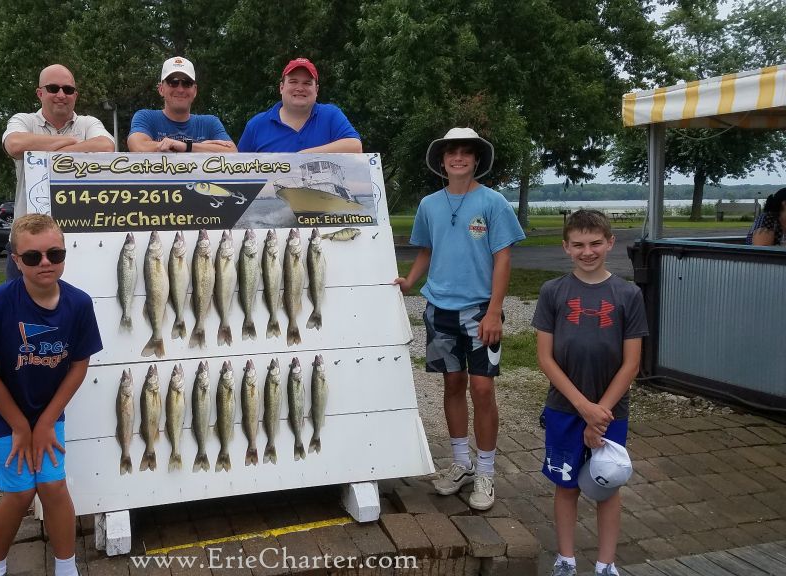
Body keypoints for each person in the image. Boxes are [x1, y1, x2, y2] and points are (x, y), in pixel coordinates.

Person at [394, 127, 525, 510]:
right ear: (442, 160)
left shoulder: (493, 202)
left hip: (481, 311)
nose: (459, 159)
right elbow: (426, 250)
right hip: (440, 310)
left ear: (476, 160)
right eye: (452, 153)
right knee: (453, 384)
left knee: (482, 389)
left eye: (467, 153)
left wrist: (496, 310)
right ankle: (461, 465)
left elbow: (503, 257)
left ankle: (486, 471)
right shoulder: (429, 204)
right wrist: (409, 281)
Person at [0, 214, 103, 576]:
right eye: (32, 257)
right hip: (1, 409)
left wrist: (43, 423)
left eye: (54, 254)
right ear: (16, 260)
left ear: (64, 254)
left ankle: (66, 567)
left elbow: (78, 365)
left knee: (53, 485)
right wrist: (20, 427)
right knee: (21, 492)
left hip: (45, 407)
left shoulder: (78, 303)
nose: (45, 263)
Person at [532, 210, 648, 576]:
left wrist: (600, 413)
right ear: (566, 247)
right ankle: (566, 559)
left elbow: (631, 364)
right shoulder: (553, 292)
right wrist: (584, 408)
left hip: (611, 410)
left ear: (610, 243)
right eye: (578, 244)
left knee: (606, 484)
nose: (587, 251)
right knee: (566, 484)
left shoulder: (629, 294)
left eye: (595, 243)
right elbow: (545, 358)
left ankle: (605, 564)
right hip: (565, 408)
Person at [3, 64, 116, 279]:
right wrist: (69, 141)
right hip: (28, 249)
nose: (61, 95)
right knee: (22, 311)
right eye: (53, 88)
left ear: (75, 95)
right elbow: (14, 145)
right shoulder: (23, 120)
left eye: (68, 89)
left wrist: (45, 150)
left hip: (82, 243)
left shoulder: (88, 122)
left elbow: (106, 147)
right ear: (40, 93)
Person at [237, 57, 362, 153]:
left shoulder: (331, 115)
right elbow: (237, 169)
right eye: (293, 82)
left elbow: (355, 147)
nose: (300, 88)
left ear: (316, 90)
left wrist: (304, 157)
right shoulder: (257, 124)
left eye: (307, 83)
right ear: (281, 87)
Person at [126, 56, 236, 153]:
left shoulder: (210, 123)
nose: (180, 89)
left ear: (195, 90)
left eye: (187, 83)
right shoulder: (146, 117)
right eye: (173, 82)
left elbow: (232, 151)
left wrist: (186, 146)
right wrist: (201, 147)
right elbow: (138, 146)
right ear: (161, 89)